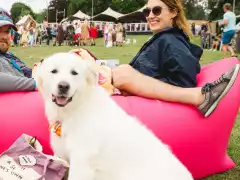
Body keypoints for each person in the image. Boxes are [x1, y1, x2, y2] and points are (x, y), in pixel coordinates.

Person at [76, 0, 240, 118]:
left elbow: (185, 81)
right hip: (114, 83)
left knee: (122, 73)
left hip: (120, 89)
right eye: (147, 11)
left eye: (156, 10)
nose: (150, 16)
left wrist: (131, 80)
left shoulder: (170, 41)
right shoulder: (163, 38)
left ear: (174, 12)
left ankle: (199, 97)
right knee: (81, 56)